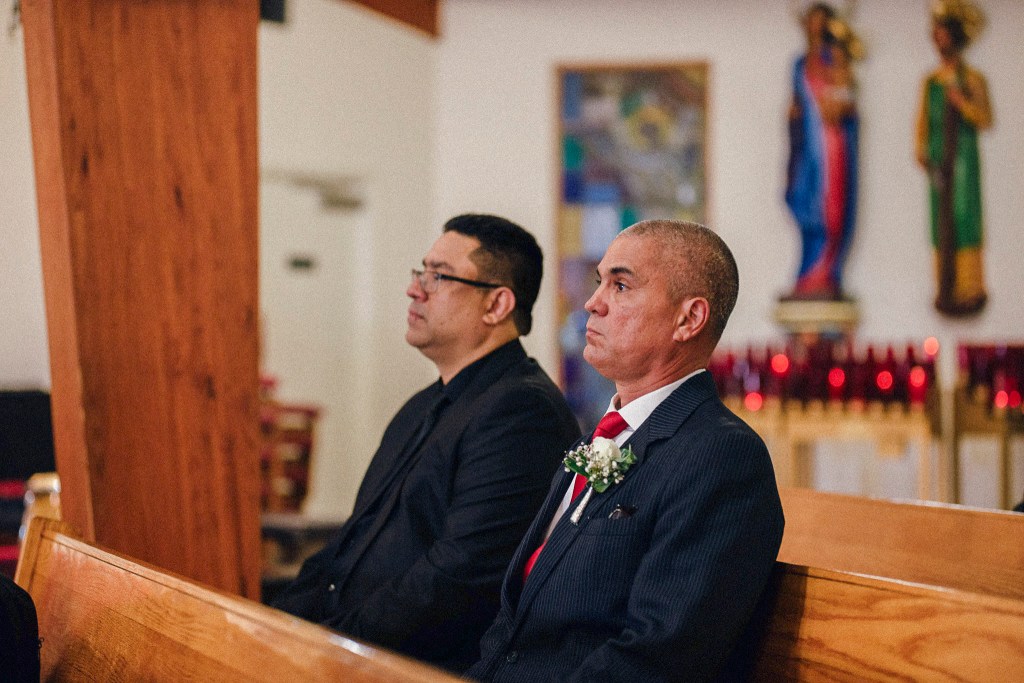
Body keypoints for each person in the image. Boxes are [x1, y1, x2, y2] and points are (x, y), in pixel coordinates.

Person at [468, 220, 785, 682]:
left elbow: (658, 656)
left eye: (620, 285)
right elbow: (513, 624)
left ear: (689, 319)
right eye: (599, 282)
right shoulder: (596, 440)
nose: (592, 303)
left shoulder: (722, 457)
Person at [272, 214, 580, 672]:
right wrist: (271, 624)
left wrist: (331, 645)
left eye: (439, 276)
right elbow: (353, 542)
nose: (414, 290)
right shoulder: (423, 405)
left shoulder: (522, 412)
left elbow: (457, 579)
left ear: (496, 304)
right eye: (422, 272)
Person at [916, 0, 992, 316]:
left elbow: (984, 118)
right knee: (941, 222)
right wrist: (923, 153)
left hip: (964, 159)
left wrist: (963, 104)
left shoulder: (972, 79)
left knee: (965, 217)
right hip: (939, 162)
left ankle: (970, 287)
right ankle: (944, 285)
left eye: (943, 33)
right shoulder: (932, 81)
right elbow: (923, 124)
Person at [785, 2, 862, 300]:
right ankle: (808, 273)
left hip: (831, 144)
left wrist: (838, 102)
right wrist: (793, 116)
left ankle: (826, 272)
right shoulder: (799, 64)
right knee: (805, 201)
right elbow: (798, 102)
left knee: (830, 207)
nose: (815, 28)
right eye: (811, 22)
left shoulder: (836, 59)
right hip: (807, 145)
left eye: (821, 22)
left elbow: (847, 102)